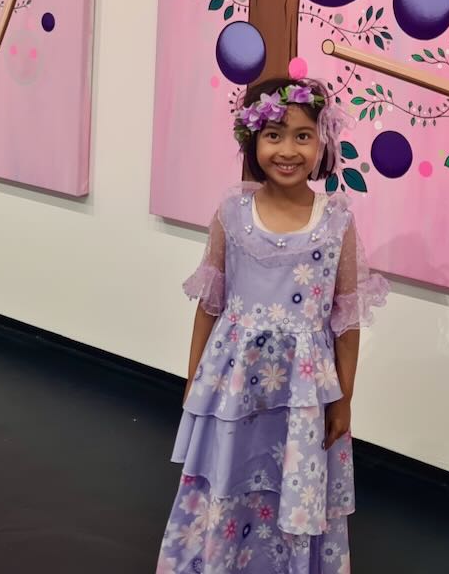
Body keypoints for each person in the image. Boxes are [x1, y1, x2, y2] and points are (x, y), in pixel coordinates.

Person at [156, 77, 388, 574]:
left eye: (303, 136)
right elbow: (210, 304)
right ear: (252, 140)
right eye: (274, 135)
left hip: (304, 396)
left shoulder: (337, 221)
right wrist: (194, 377)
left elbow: (345, 322)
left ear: (323, 141)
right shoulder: (232, 212)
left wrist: (343, 400)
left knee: (294, 485)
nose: (288, 150)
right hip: (233, 387)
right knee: (230, 477)